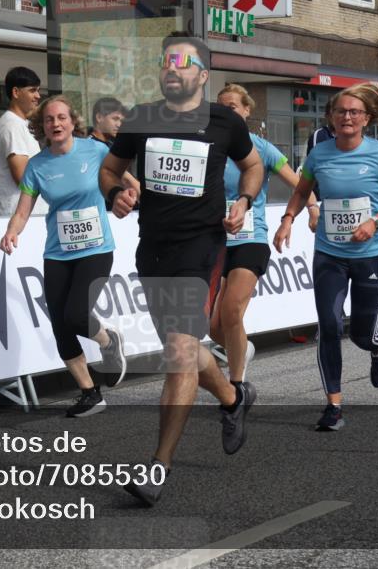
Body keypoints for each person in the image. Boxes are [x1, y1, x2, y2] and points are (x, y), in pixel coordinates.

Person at [100, 33, 263, 505]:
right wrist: (116, 193)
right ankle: (234, 397)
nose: (173, 71)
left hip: (202, 247)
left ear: (203, 75)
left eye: (184, 65)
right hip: (153, 247)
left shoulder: (225, 120)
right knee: (187, 352)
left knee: (178, 350)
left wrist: (245, 199)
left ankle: (158, 466)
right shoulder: (142, 118)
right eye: (167, 64)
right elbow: (110, 169)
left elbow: (252, 166)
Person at [273, 83, 378, 431]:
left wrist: (375, 222)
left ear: (366, 118)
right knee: (330, 326)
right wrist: (288, 220)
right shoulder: (319, 154)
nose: (347, 117)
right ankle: (333, 405)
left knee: (362, 334)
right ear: (331, 118)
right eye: (340, 112)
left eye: (354, 112)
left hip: (370, 254)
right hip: (329, 254)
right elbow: (302, 191)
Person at [0, 96, 126, 417]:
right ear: (41, 127)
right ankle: (89, 392)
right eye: (48, 120)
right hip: (58, 253)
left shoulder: (95, 151)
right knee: (60, 323)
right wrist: (12, 231)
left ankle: (108, 341)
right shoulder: (36, 166)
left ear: (73, 122)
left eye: (61, 118)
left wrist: (131, 190)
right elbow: (23, 210)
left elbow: (123, 178)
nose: (55, 124)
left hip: (96, 249)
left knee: (75, 313)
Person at [210, 83, 318, 384]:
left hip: (250, 239)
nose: (224, 111)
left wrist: (310, 209)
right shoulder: (211, 146)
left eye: (231, 106)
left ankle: (237, 385)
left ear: (246, 111)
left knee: (232, 311)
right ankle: (242, 349)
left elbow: (299, 183)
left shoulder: (262, 148)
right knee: (212, 326)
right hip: (215, 241)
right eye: (219, 106)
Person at [0, 67, 46, 217]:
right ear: (16, 92)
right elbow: (23, 178)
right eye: (32, 90)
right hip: (17, 219)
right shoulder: (12, 125)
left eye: (38, 90)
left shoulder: (20, 123)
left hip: (27, 217)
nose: (37, 96)